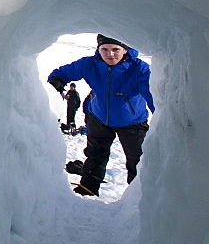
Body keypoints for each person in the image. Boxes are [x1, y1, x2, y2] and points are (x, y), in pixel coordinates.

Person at [47, 34, 154, 196]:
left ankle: (139, 195)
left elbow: (154, 97)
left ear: (125, 49)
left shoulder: (139, 68)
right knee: (95, 154)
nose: (110, 54)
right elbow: (62, 73)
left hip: (132, 122)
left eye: (115, 49)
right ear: (98, 49)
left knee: (137, 160)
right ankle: (88, 188)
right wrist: (57, 81)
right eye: (104, 49)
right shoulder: (91, 64)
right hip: (98, 117)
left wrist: (163, 117)